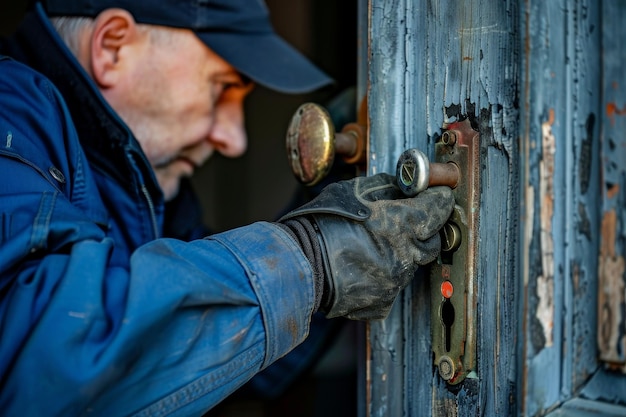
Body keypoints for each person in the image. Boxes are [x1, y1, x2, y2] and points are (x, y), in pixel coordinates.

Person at [0, 0, 455, 415]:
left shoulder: (145, 187)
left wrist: (328, 215)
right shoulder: (7, 121)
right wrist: (312, 258)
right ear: (113, 47)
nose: (233, 140)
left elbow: (226, 362)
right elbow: (47, 371)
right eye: (222, 88)